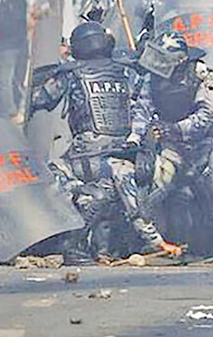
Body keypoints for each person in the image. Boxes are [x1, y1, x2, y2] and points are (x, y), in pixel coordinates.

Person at [30, 22, 180, 263]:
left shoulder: (70, 73)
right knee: (104, 195)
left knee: (63, 186)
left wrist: (26, 86)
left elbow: (38, 99)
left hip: (83, 159)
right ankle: (99, 248)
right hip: (123, 155)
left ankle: (75, 247)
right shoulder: (127, 71)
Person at [130, 30, 213, 259]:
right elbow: (143, 110)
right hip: (172, 143)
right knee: (170, 190)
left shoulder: (200, 73)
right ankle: (179, 247)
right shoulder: (152, 77)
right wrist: (135, 138)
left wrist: (176, 128)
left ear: (181, 59)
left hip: (205, 141)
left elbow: (208, 113)